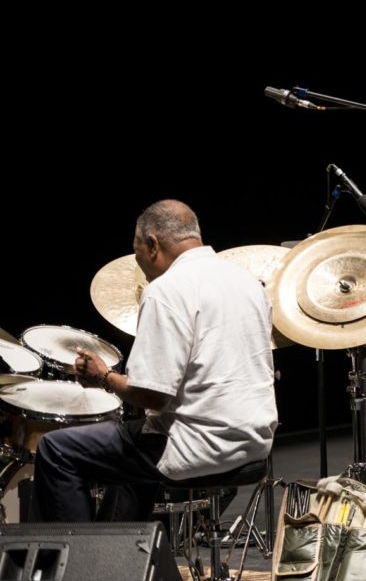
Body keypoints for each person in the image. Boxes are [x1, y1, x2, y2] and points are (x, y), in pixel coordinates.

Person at [31, 199, 278, 522]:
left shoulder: (167, 289)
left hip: (198, 446)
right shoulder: (246, 282)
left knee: (56, 450)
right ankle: (115, 564)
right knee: (131, 446)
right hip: (254, 441)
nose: (141, 269)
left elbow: (153, 394)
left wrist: (103, 377)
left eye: (136, 255)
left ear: (152, 244)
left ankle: (78, 559)